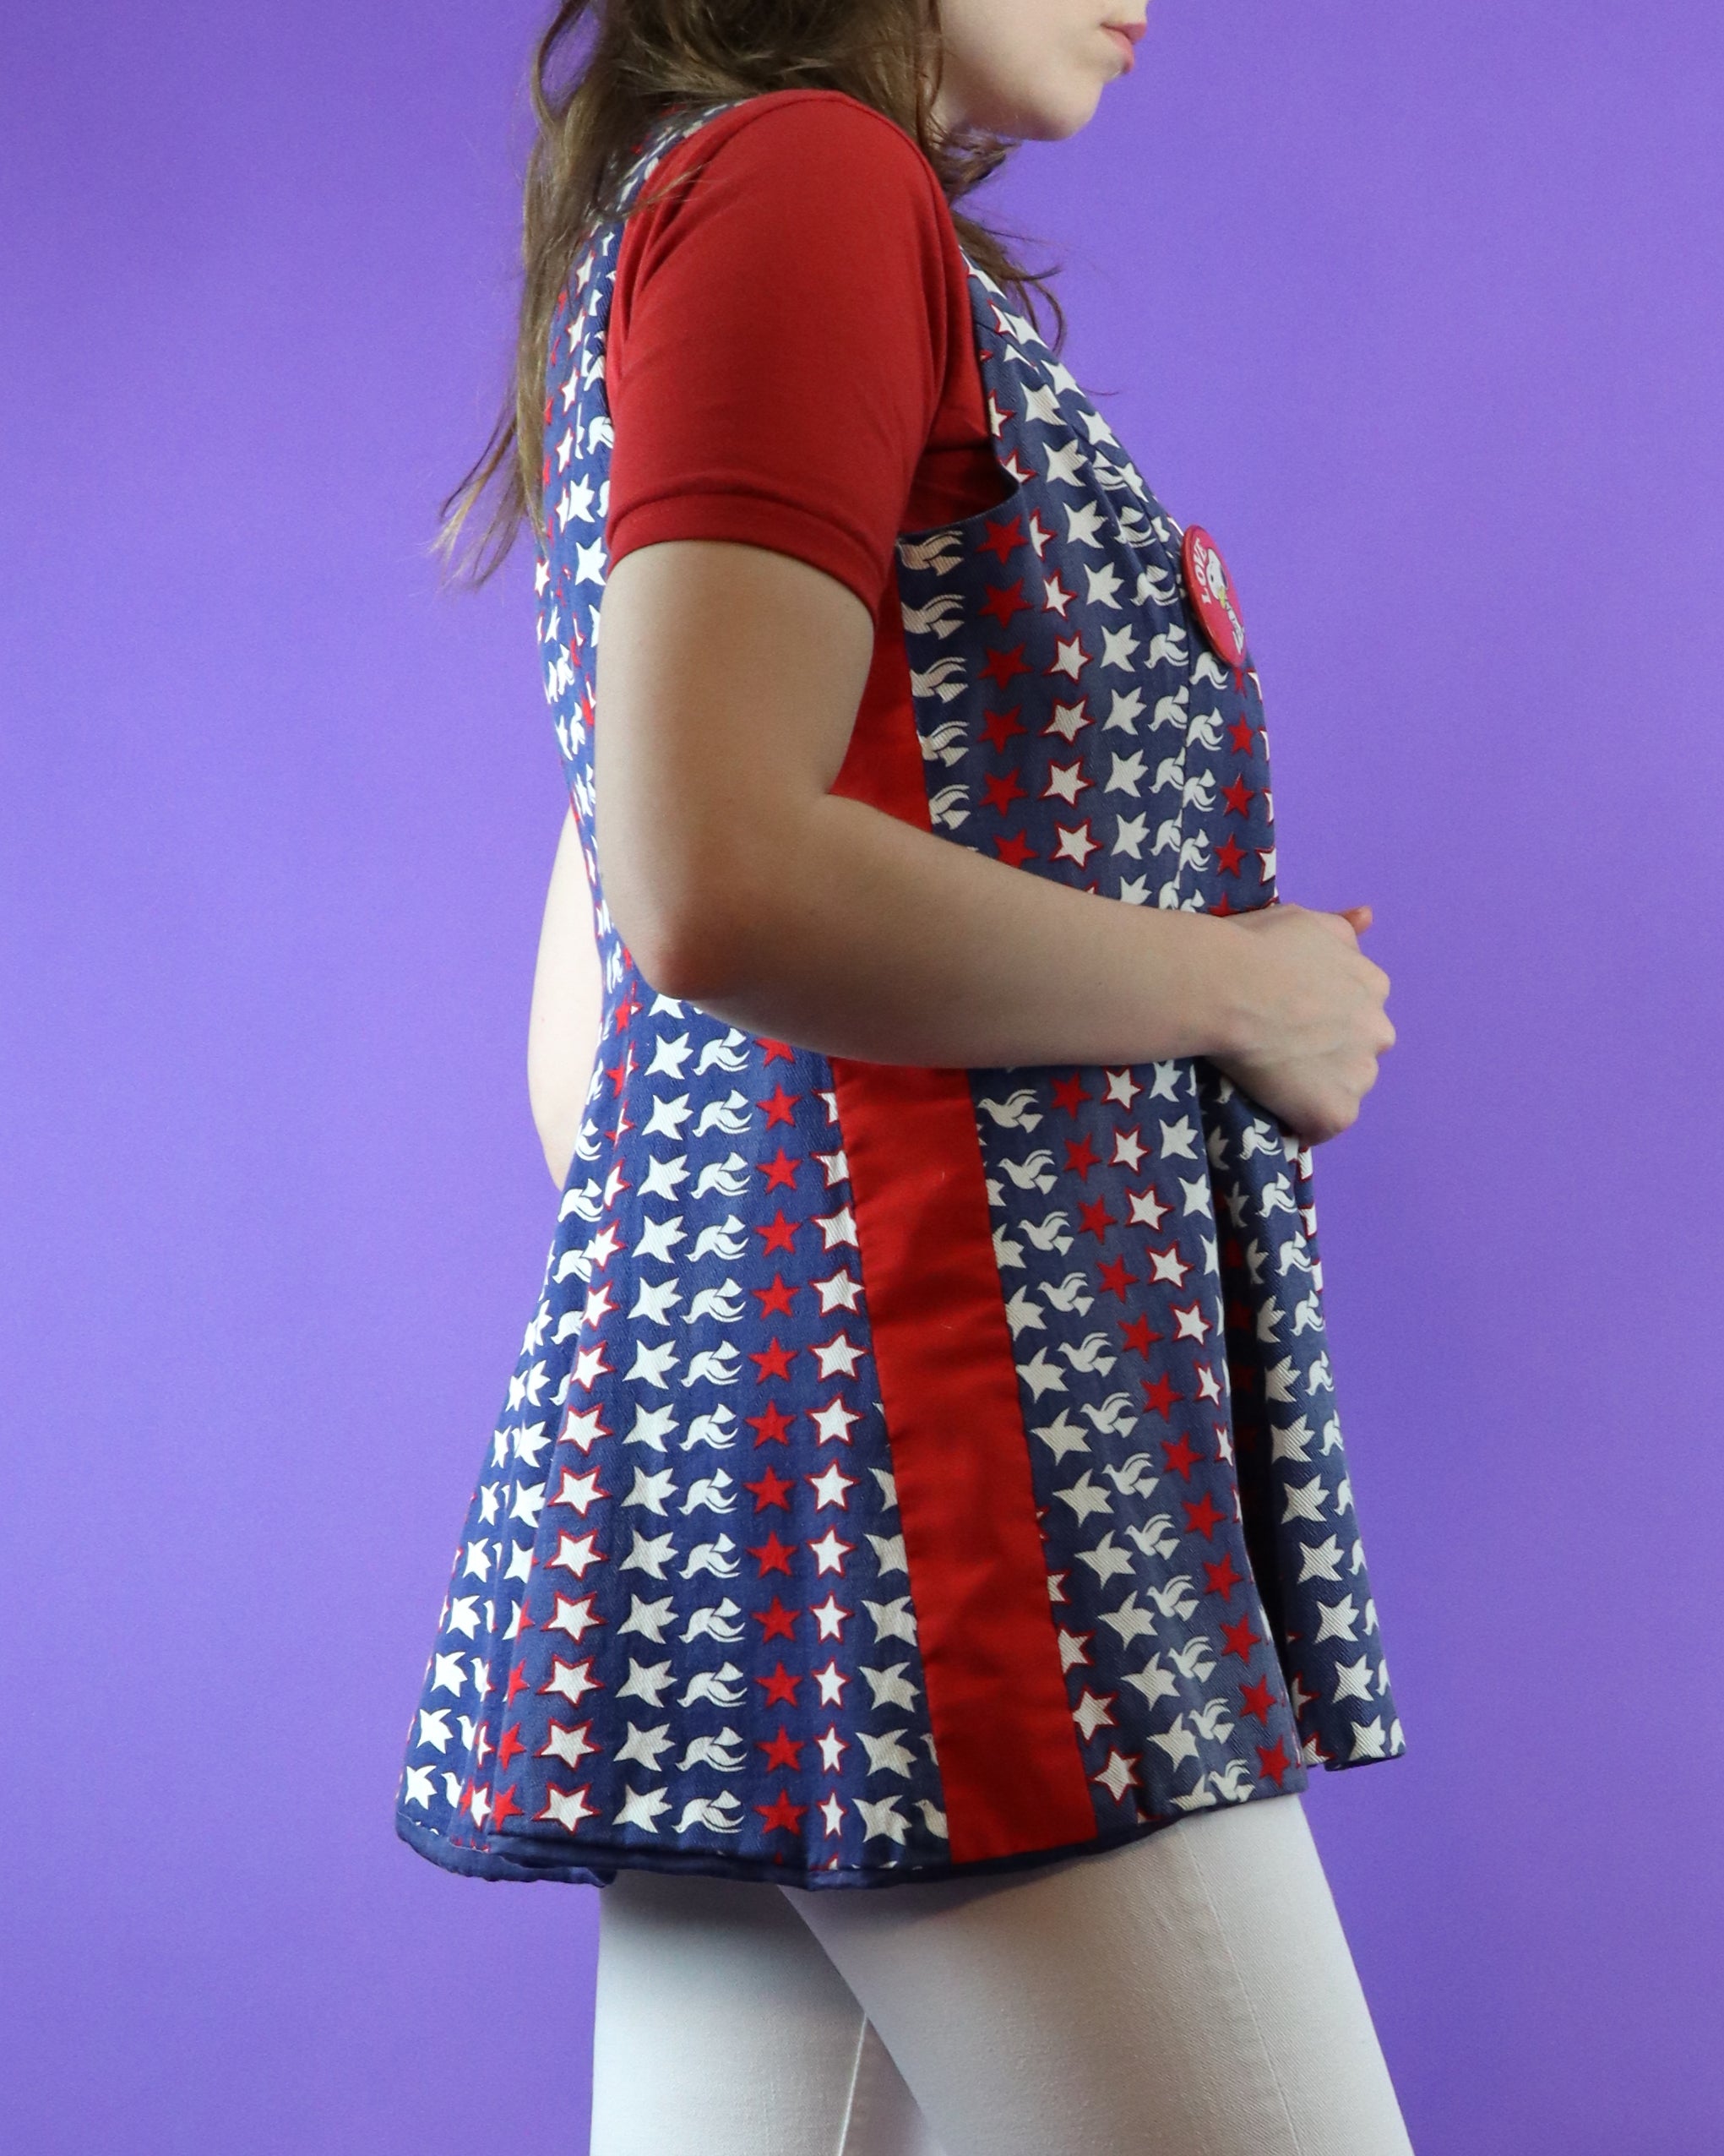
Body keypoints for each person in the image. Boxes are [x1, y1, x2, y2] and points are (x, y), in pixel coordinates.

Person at [395, 0, 1416, 2148]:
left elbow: (595, 1045)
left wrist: (766, 1386)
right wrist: (1242, 995)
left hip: (785, 1475)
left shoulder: (719, 205)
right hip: (961, 1484)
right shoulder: (808, 180)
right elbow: (714, 875)